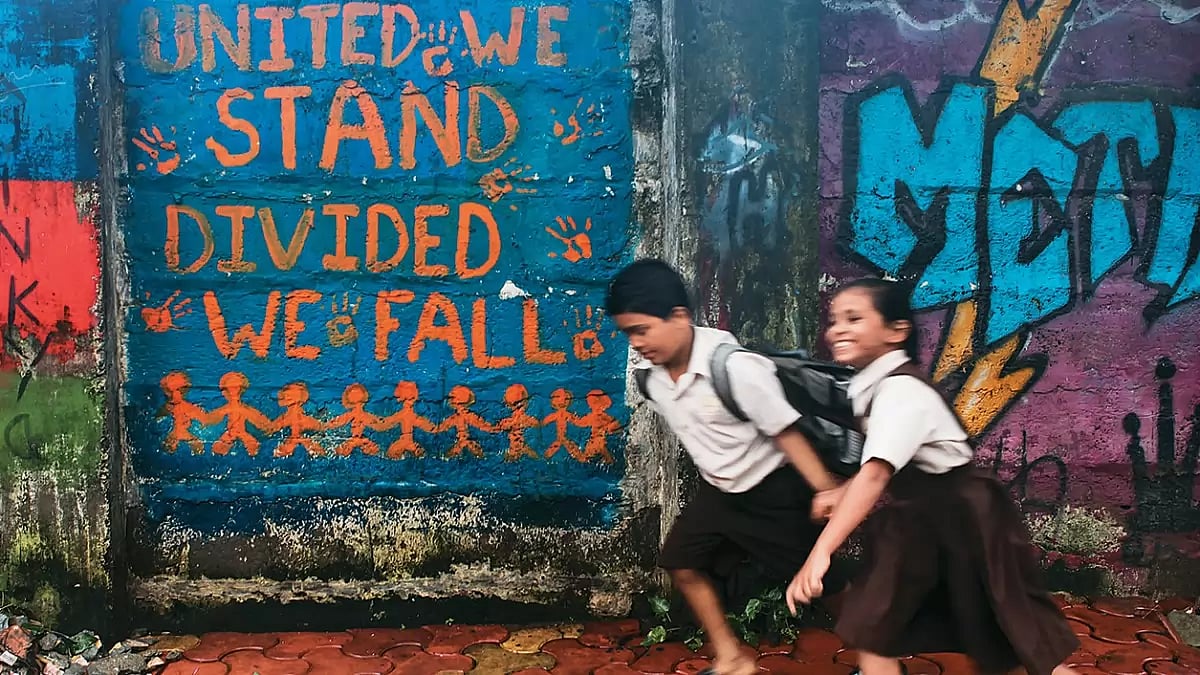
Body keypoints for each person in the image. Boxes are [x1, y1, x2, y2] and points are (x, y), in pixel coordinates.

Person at [785, 278, 1080, 675]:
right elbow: (886, 463)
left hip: (962, 523)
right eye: (834, 320)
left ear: (896, 331)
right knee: (876, 630)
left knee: (1004, 640)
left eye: (854, 318)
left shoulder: (900, 392)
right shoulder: (874, 385)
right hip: (925, 523)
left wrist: (821, 553)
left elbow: (875, 475)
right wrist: (842, 494)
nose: (837, 330)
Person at [605, 259, 843, 675]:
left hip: (774, 494)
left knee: (829, 588)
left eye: (642, 329)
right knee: (681, 562)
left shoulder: (735, 368)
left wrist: (824, 489)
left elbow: (786, 432)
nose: (636, 342)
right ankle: (732, 659)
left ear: (679, 317)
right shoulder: (652, 378)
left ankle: (885, 648)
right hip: (720, 494)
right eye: (628, 333)